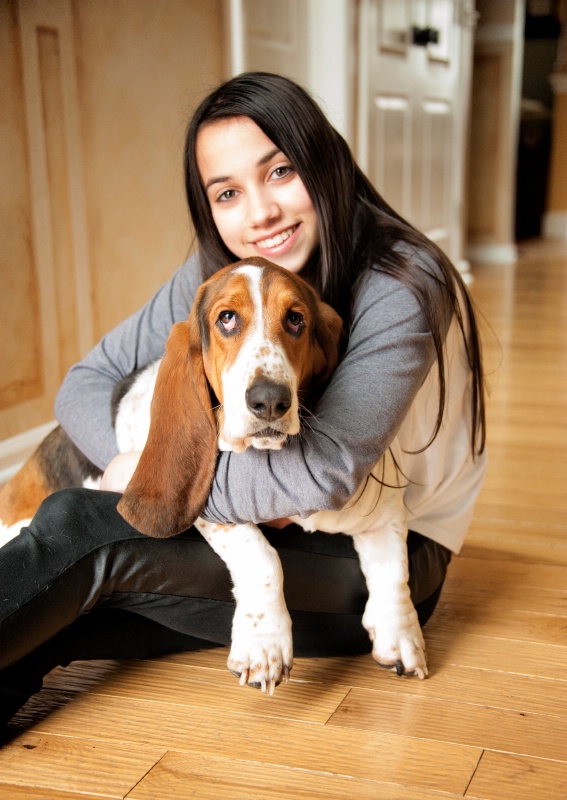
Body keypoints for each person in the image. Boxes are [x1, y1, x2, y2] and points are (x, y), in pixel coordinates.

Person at [0, 72, 486, 726]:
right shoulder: (224, 275)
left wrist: (155, 477)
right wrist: (134, 459)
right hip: (272, 528)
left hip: (376, 559)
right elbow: (86, 382)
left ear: (327, 164)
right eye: (227, 192)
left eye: (280, 171)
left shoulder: (401, 282)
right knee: (59, 615)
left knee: (82, 529)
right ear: (209, 209)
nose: (259, 213)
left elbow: (318, 475)